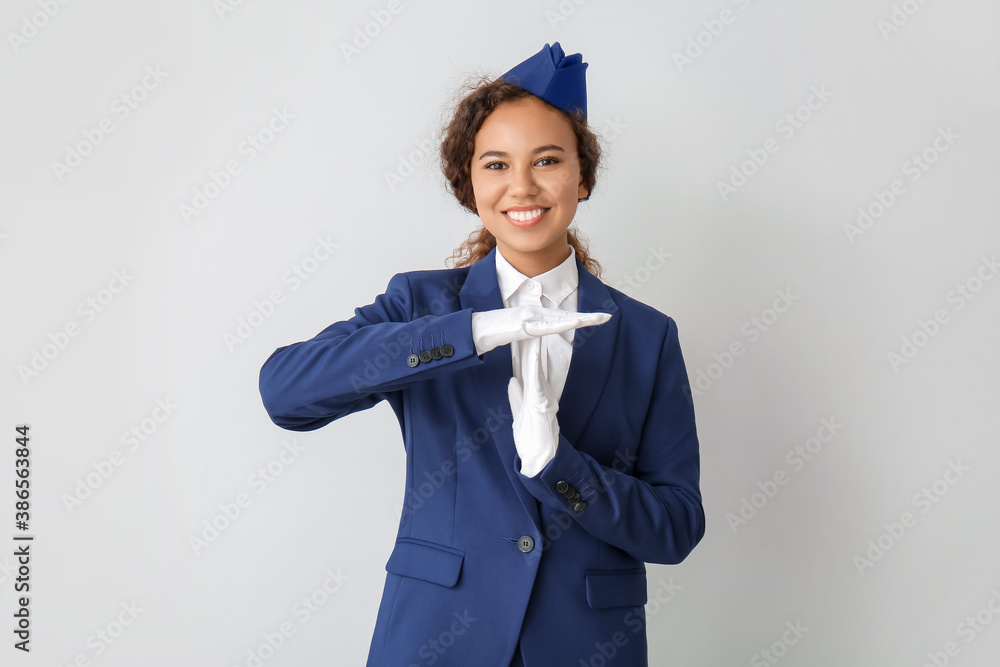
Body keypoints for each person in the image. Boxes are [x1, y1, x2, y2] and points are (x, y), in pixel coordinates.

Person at [258, 42, 705, 667]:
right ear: (469, 182)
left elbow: (677, 526)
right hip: (436, 640)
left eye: (547, 160)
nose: (521, 186)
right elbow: (285, 392)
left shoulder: (647, 335)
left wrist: (559, 465)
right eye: (496, 164)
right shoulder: (420, 305)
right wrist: (467, 333)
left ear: (582, 175)